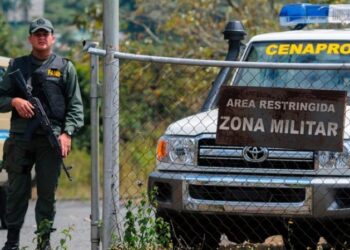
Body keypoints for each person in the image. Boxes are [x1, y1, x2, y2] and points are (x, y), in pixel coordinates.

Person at [0, 17, 84, 250]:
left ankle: (44, 242)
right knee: (17, 192)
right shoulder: (17, 65)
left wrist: (67, 133)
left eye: (45, 33)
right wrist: (15, 101)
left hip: (51, 140)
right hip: (20, 140)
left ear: (53, 37)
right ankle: (12, 242)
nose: (41, 37)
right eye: (37, 33)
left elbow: (76, 107)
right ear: (30, 38)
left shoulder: (65, 67)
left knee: (47, 195)